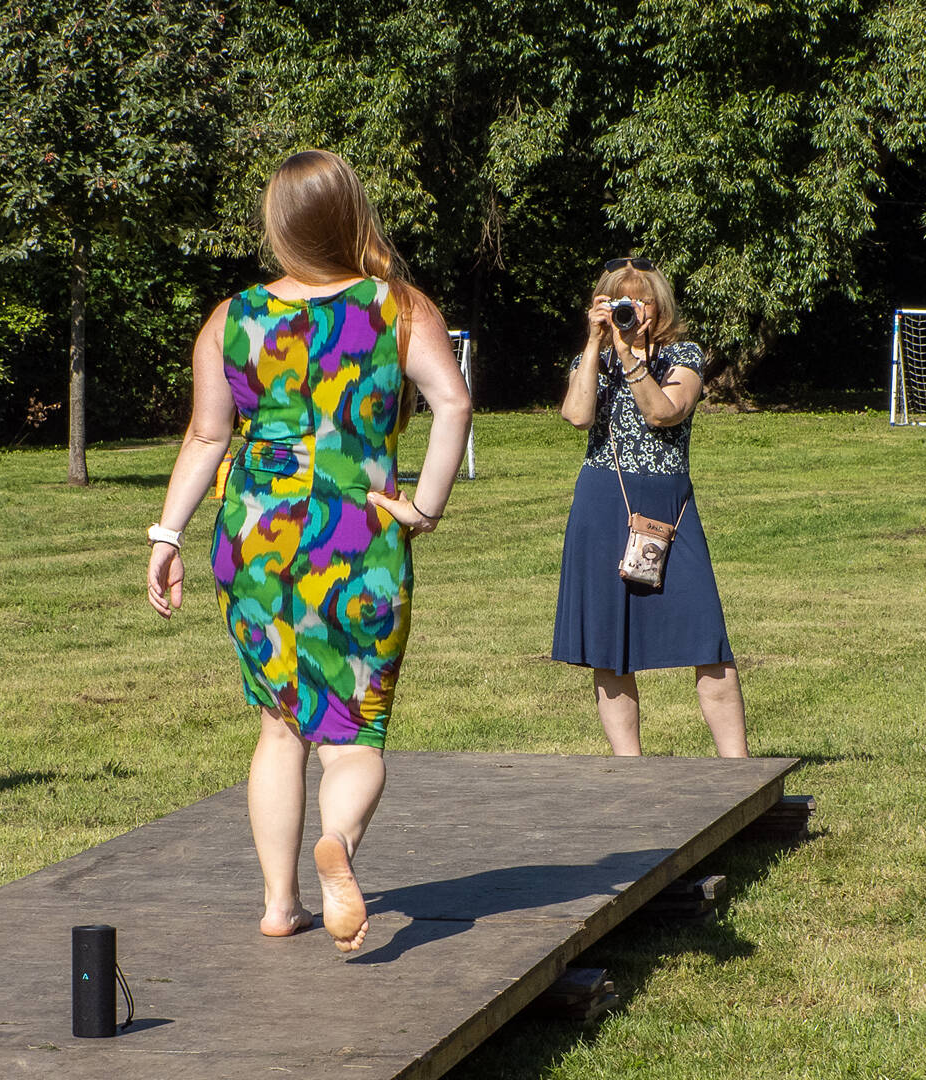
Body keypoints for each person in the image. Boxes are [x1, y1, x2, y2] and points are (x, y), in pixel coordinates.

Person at [146, 150, 472, 953]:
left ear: (278, 225)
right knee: (355, 728)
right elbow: (453, 403)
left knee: (279, 724)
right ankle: (339, 842)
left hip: (255, 536)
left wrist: (166, 534)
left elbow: (206, 436)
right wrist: (425, 507)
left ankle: (278, 903)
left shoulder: (232, 317)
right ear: (352, 213)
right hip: (357, 532)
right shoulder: (398, 307)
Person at [553, 257, 748, 758]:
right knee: (608, 651)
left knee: (708, 640)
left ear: (659, 306)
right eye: (621, 301)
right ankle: (630, 770)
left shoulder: (682, 355)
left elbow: (664, 412)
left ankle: (740, 770)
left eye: (641, 301)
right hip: (603, 505)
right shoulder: (592, 360)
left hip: (669, 510)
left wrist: (631, 357)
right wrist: (595, 345)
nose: (632, 310)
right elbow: (577, 416)